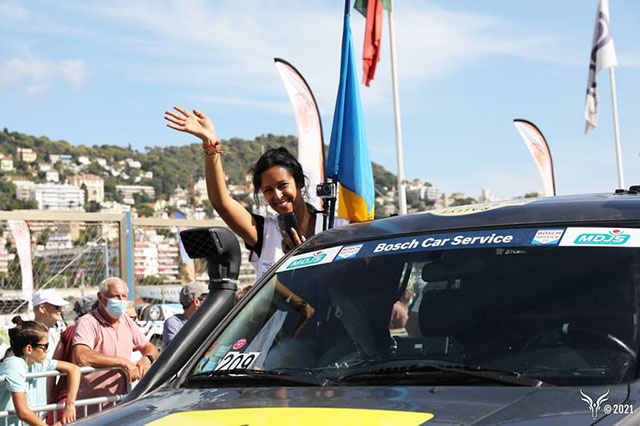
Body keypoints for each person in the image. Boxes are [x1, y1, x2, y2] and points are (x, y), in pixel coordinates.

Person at [165, 106, 347, 279]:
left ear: (299, 182)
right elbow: (222, 203)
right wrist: (210, 145)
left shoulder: (337, 228)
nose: (277, 195)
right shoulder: (264, 231)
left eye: (282, 185)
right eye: (268, 190)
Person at [71, 277, 158, 415]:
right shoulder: (87, 322)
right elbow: (82, 356)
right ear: (101, 297)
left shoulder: (126, 321)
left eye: (124, 296)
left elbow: (150, 347)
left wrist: (146, 359)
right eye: (116, 296)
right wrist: (123, 363)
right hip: (92, 408)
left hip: (120, 405)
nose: (121, 301)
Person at [0, 317, 79, 426]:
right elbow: (23, 412)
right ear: (29, 349)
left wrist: (70, 405)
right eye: (45, 346)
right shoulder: (14, 364)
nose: (48, 350)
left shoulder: (36, 362)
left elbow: (74, 369)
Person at [32, 289, 69, 411]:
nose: (60, 310)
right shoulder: (26, 336)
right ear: (42, 308)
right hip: (31, 406)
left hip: (49, 406)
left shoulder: (56, 336)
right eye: (57, 306)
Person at [162, 282, 208, 346]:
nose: (210, 302)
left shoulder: (208, 319)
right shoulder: (174, 323)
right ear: (196, 302)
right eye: (207, 299)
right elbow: (175, 350)